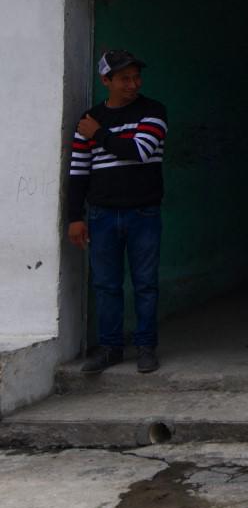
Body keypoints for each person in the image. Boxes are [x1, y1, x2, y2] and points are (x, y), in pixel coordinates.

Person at [67, 50, 167, 374]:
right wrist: (74, 217)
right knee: (106, 285)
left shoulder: (152, 112)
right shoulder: (89, 117)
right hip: (101, 215)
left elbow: (139, 151)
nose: (133, 84)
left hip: (144, 214)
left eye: (136, 77)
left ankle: (146, 347)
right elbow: (79, 170)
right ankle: (110, 348)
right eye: (124, 78)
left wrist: (98, 133)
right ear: (106, 80)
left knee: (145, 284)